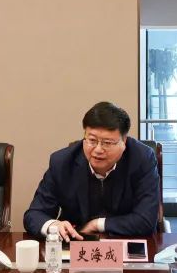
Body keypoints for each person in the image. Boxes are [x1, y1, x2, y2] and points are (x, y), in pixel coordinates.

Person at [24, 101, 160, 240]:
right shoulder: (62, 162)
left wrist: (97, 224)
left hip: (126, 242)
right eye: (92, 140)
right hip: (77, 243)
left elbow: (146, 220)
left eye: (107, 143)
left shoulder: (142, 159)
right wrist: (53, 225)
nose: (98, 149)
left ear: (124, 141)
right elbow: (33, 215)